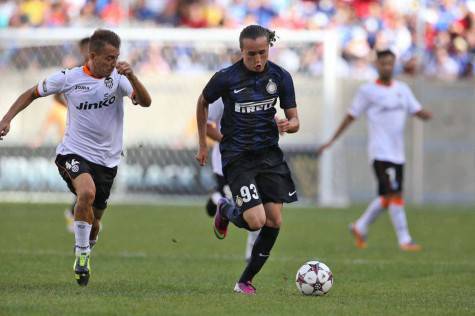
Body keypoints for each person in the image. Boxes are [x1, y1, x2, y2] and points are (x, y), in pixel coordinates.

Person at [0, 29, 152, 286]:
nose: (113, 63)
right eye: (108, 58)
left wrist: (133, 77)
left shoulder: (119, 78)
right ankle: (81, 256)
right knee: (86, 193)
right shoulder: (69, 78)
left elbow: (145, 102)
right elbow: (31, 93)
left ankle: (86, 246)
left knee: (95, 223)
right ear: (92, 56)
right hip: (73, 152)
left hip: (108, 160)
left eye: (116, 57)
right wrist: (6, 119)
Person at [196, 25, 300, 294]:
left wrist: (291, 125)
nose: (257, 60)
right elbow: (202, 102)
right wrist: (202, 145)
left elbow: (294, 119)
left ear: (269, 49)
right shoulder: (226, 78)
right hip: (238, 157)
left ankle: (245, 281)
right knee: (255, 220)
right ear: (241, 51)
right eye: (251, 54)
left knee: (274, 220)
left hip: (269, 156)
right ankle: (226, 210)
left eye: (262, 53)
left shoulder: (281, 76)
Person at [317, 49, 432, 252]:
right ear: (377, 65)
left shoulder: (403, 89)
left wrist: (427, 115)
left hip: (398, 153)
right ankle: (405, 240)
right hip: (380, 152)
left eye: (390, 63)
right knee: (394, 194)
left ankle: (359, 226)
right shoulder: (367, 91)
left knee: (388, 196)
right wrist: (331, 141)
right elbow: (351, 116)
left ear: (394, 64)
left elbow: (416, 110)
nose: (387, 66)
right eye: (383, 63)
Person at [205, 98, 260, 262]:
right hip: (228, 163)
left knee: (257, 205)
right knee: (245, 209)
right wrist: (232, 143)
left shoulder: (260, 85)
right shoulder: (222, 90)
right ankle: (220, 203)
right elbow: (207, 126)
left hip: (256, 160)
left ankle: (252, 254)